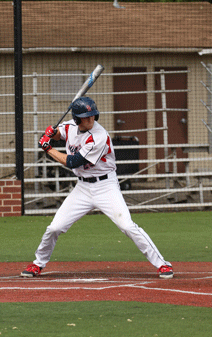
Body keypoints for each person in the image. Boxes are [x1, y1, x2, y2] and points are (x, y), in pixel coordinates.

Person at [21, 97, 174, 279]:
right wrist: (51, 134)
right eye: (86, 117)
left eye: (93, 115)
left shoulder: (99, 136)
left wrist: (48, 148)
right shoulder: (71, 126)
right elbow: (61, 134)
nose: (90, 120)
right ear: (77, 119)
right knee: (54, 227)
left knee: (127, 226)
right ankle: (38, 263)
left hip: (105, 186)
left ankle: (162, 264)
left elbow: (72, 162)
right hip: (82, 188)